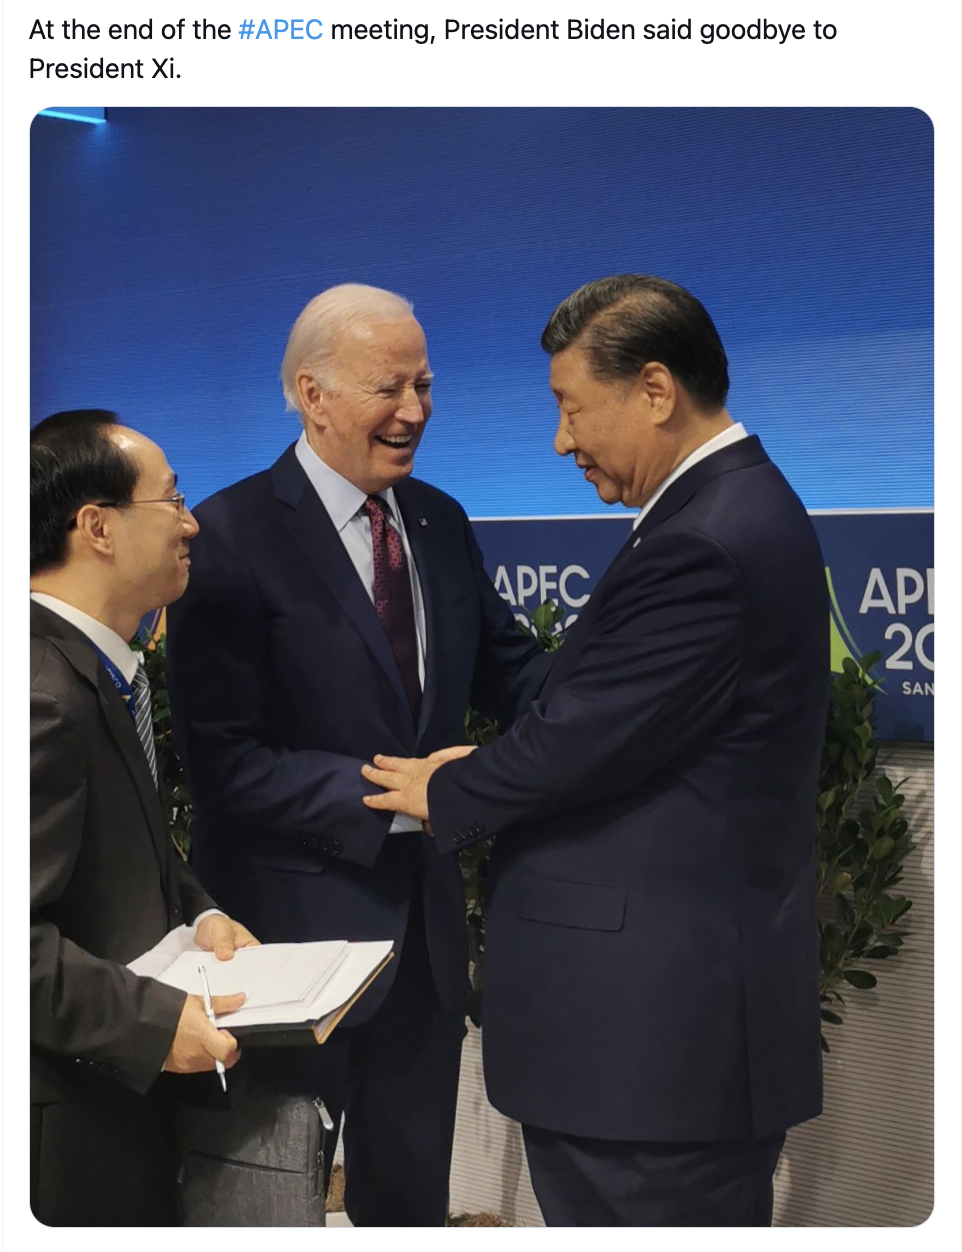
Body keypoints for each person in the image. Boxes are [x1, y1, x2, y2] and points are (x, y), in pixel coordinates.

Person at [361, 274, 829, 1227]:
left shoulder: (708, 540)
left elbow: (580, 740)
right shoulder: (724, 510)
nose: (560, 441)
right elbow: (620, 721)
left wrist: (448, 788)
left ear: (655, 390)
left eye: (571, 408)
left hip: (649, 1060)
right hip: (653, 1057)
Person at [165, 283, 546, 1227]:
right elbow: (224, 764)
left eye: (426, 385)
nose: (414, 410)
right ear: (313, 394)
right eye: (389, 387)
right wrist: (399, 796)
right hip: (282, 947)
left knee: (408, 1208)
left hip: (422, 952)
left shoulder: (441, 521)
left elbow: (516, 674)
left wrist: (628, 694)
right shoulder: (227, 538)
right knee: (266, 1210)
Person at [30, 410, 258, 1226]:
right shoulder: (41, 694)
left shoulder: (95, 666)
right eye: (173, 501)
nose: (191, 524)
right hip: (63, 1139)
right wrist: (153, 1024)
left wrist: (199, 914)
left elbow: (113, 843)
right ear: (97, 527)